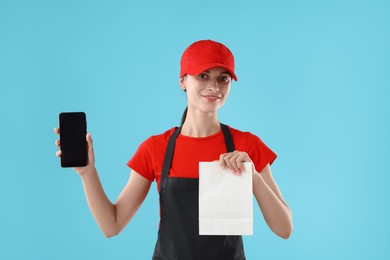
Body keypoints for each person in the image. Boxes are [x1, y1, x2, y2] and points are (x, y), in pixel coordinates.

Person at [54, 39, 293, 260]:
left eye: (223, 78)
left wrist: (253, 178)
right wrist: (87, 173)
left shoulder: (247, 146)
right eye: (203, 75)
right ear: (182, 81)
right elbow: (112, 225)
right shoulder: (155, 148)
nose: (214, 87)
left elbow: (284, 229)